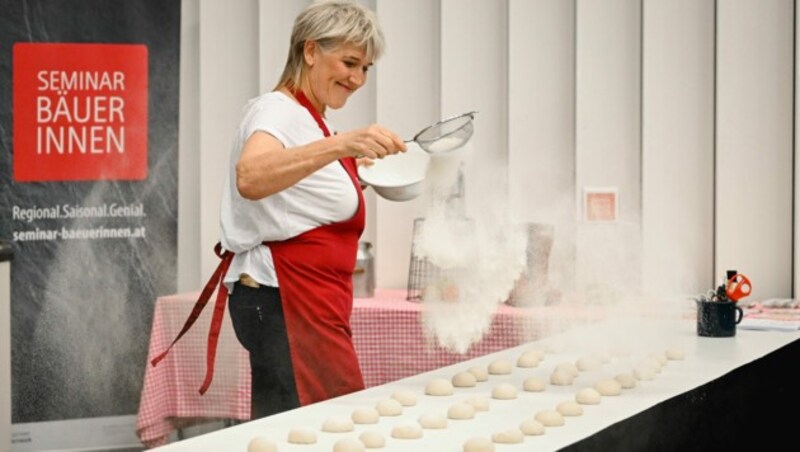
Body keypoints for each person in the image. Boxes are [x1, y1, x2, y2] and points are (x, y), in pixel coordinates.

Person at [218, 0, 404, 420]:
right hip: (285, 299)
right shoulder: (276, 110)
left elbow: (295, 197)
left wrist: (358, 174)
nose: (357, 79)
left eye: (366, 68)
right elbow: (250, 175)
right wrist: (343, 145)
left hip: (307, 301)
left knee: (306, 427)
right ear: (310, 51)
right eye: (350, 62)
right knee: (321, 426)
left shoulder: (309, 118)